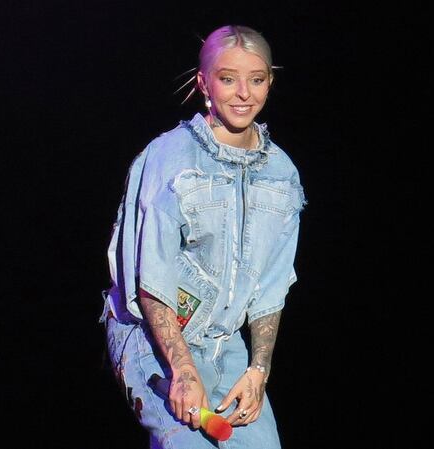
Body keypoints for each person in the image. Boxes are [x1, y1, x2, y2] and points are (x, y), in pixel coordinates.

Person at [100, 25, 306, 449]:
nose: (243, 93)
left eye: (257, 78)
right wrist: (183, 370)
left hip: (222, 342)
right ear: (203, 82)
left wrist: (257, 370)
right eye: (228, 78)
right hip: (151, 336)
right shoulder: (170, 157)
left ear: (271, 81)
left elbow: (270, 287)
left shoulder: (281, 173)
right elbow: (150, 276)